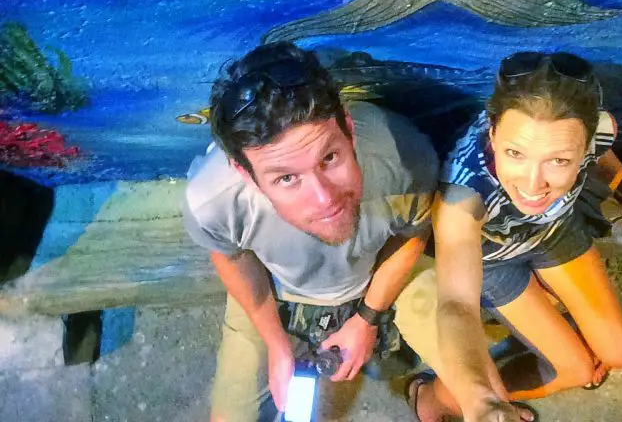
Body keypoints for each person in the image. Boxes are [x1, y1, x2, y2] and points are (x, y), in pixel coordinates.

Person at [399, 51, 622, 422]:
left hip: (554, 232)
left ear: (586, 140)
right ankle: (437, 397)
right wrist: (482, 402)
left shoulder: (599, 129)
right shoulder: (463, 194)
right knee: (576, 370)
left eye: (558, 161)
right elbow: (457, 305)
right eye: (515, 153)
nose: (532, 184)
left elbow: (602, 156)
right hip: (495, 260)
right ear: (493, 133)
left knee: (619, 356)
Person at [182, 42, 439, 422]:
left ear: (349, 128)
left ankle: (431, 398)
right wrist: (276, 344)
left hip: (376, 280)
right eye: (287, 178)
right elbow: (231, 259)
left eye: (329, 158)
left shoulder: (404, 158)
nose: (324, 200)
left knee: (471, 374)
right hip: (277, 291)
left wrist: (367, 318)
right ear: (245, 174)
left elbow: (412, 235)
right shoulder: (212, 200)